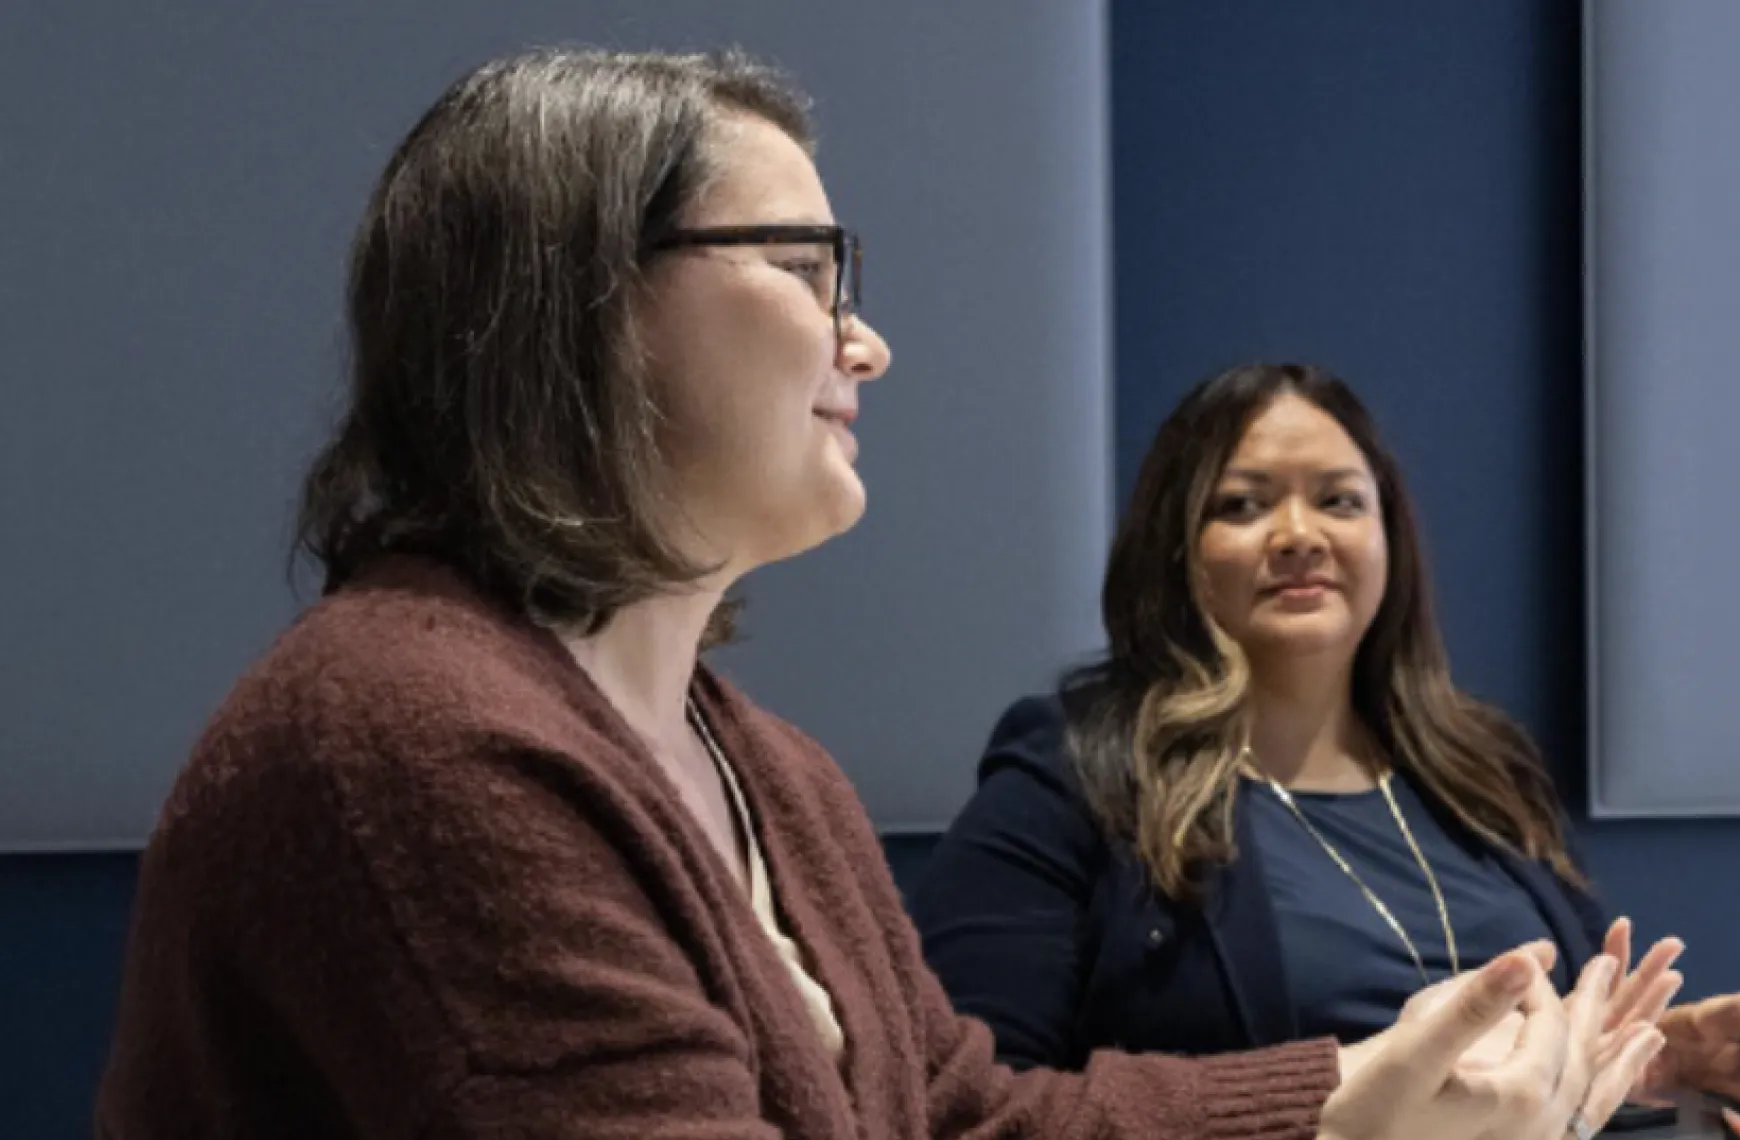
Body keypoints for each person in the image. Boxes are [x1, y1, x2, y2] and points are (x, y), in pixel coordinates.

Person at [95, 55, 1660, 1140]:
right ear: (573, 301)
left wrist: (1347, 1089)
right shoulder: (413, 737)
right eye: (805, 268)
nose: (867, 342)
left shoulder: (768, 771)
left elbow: (964, 1115)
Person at [911, 362, 1736, 1114]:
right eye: (1243, 504)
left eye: (1339, 500)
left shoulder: (1481, 768)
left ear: (1389, 541)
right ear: (1173, 549)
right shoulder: (1077, 771)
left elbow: (1547, 1085)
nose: (1299, 533)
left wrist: (1665, 1061)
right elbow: (962, 1101)